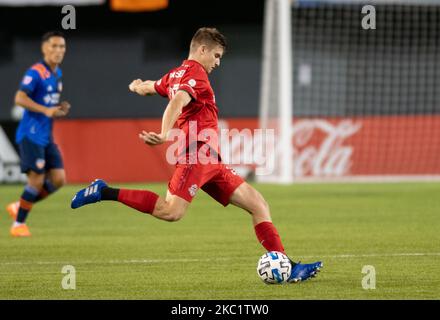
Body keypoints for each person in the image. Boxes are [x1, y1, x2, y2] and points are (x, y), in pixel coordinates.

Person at [71, 27, 322, 282]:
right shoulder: (196, 75)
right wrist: (164, 133)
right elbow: (177, 102)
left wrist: (138, 86)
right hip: (197, 155)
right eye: (216, 55)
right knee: (171, 212)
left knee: (259, 204)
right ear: (202, 50)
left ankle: (287, 267)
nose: (218, 62)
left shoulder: (175, 75)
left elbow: (153, 86)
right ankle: (104, 191)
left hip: (210, 160)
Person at [6, 31, 70, 237]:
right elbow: (19, 98)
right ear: (44, 48)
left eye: (62, 47)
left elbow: (47, 104)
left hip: (46, 135)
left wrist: (57, 109)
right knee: (36, 181)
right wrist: (45, 110)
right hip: (31, 134)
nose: (58, 51)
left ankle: (20, 205)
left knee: (59, 179)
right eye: (54, 46)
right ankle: (18, 224)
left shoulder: (57, 74)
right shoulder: (35, 72)